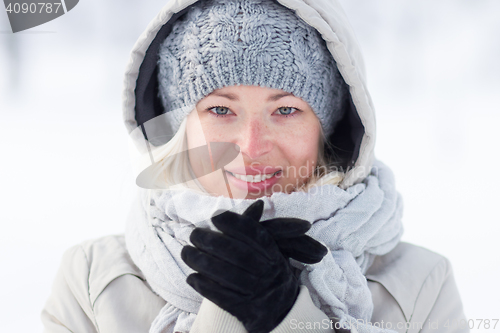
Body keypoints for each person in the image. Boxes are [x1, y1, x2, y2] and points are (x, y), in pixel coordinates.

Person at [41, 0, 469, 332]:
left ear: (329, 128)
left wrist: (288, 317)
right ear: (181, 129)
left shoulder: (421, 285)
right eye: (220, 111)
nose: (252, 146)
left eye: (285, 110)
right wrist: (225, 314)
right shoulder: (93, 280)